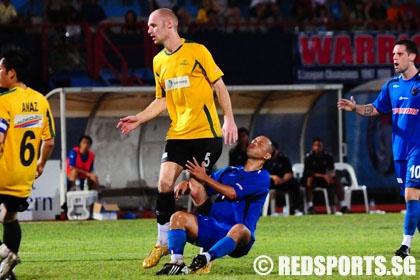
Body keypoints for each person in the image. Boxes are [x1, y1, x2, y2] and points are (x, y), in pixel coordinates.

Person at [116, 8, 238, 269]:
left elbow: (219, 85)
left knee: (195, 188)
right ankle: (162, 242)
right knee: (164, 182)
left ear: (169, 24)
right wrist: (139, 117)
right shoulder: (159, 61)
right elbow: (162, 100)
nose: (148, 30)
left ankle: (206, 253)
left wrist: (229, 119)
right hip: (178, 134)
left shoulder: (197, 51)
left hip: (206, 134)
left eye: (152, 25)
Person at [338, 39, 420, 258]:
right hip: (399, 151)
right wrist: (355, 108)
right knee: (411, 198)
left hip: (418, 150)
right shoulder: (391, 86)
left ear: (412, 56)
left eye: (399, 54)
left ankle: (405, 245)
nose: (394, 57)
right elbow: (374, 109)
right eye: (393, 54)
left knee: (412, 194)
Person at [156, 135, 272, 275]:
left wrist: (204, 177)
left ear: (267, 156)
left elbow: (232, 193)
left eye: (260, 143)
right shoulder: (230, 171)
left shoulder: (262, 176)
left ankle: (205, 258)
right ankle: (176, 262)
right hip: (214, 226)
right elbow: (205, 185)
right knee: (177, 217)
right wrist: (187, 184)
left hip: (238, 237)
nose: (255, 143)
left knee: (240, 229)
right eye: (254, 140)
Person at [0, 47, 56, 279]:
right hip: (25, 175)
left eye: (0, 69)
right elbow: (50, 142)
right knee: (9, 217)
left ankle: (3, 252)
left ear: (12, 73)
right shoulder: (40, 100)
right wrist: (40, 164)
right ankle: (7, 272)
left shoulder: (4, 101)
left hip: (3, 171)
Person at [302, 138, 349, 214]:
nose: (317, 147)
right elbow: (308, 172)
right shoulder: (309, 157)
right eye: (315, 145)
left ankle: (343, 205)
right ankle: (310, 206)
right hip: (314, 179)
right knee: (309, 180)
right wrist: (323, 176)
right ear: (313, 147)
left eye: (319, 145)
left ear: (322, 146)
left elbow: (331, 169)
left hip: (324, 180)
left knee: (336, 180)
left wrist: (330, 176)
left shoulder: (327, 156)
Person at [264, 141, 302, 216]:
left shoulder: (283, 159)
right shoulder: (264, 159)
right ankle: (268, 210)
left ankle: (295, 208)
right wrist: (273, 177)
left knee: (294, 183)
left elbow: (289, 173)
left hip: (282, 182)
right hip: (269, 181)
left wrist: (282, 180)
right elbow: (260, 173)